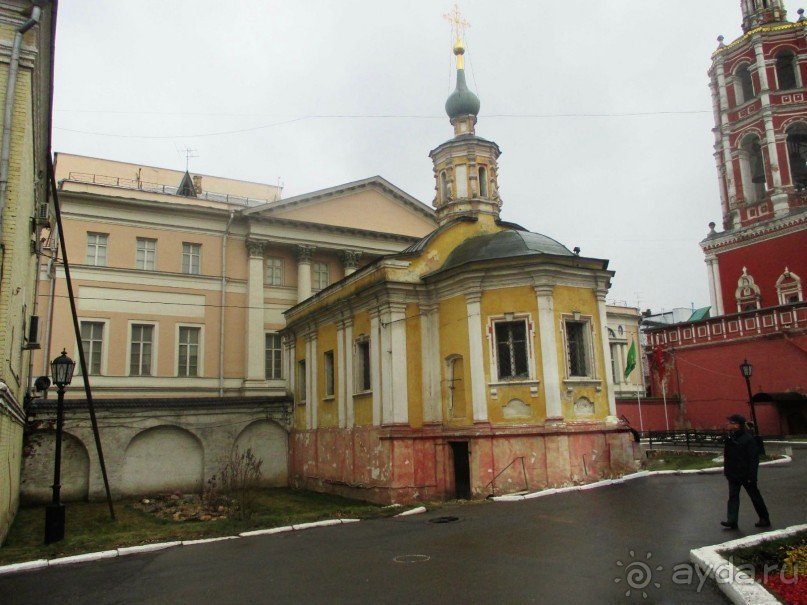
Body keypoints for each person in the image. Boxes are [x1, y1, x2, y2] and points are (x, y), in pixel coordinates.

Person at [721, 413, 771, 530]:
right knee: (733, 497)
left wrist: (752, 475)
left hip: (746, 474)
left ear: (737, 425)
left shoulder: (748, 439)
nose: (727, 424)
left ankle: (764, 518)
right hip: (733, 474)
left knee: (755, 497)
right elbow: (728, 456)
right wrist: (727, 471)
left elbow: (754, 459)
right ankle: (732, 520)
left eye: (730, 423)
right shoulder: (731, 437)